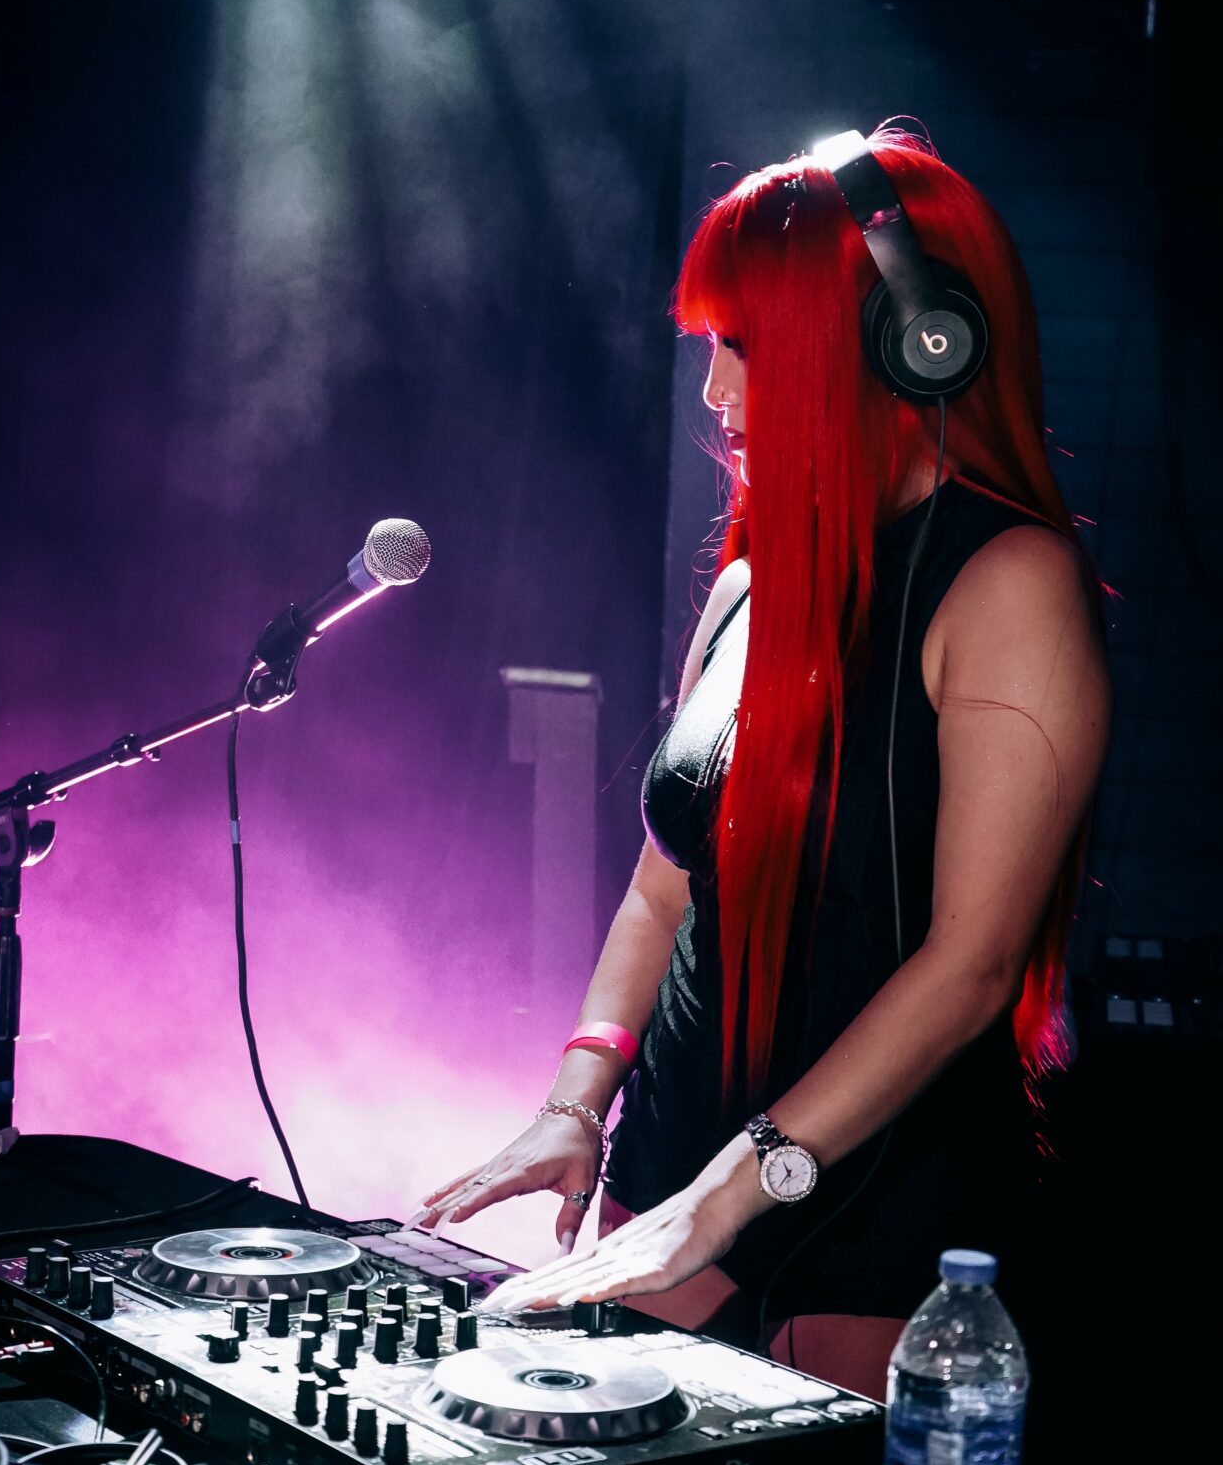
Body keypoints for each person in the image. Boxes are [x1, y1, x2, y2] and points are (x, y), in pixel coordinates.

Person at [412, 126, 1111, 1399]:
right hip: (673, 1169)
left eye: (741, 347)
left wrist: (726, 1201)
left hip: (883, 1212)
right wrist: (579, 1100)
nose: (716, 396)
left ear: (911, 343)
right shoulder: (747, 582)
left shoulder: (1010, 584)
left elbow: (971, 963)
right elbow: (659, 888)